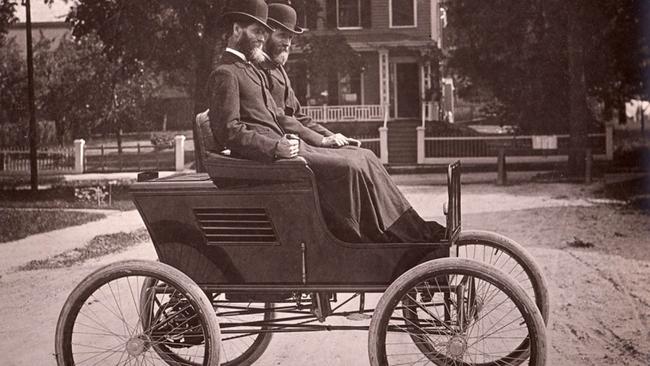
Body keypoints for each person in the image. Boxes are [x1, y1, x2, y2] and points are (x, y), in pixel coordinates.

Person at [208, 0, 445, 243]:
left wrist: (323, 138)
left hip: (285, 149)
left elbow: (281, 116)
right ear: (237, 30)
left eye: (264, 32)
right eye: (258, 31)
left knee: (364, 156)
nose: (262, 38)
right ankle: (372, 238)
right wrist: (277, 147)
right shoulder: (227, 73)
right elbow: (230, 130)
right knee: (350, 167)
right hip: (273, 159)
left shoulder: (249, 70)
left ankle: (408, 229)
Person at [259, 3, 355, 148]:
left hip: (294, 141)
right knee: (351, 164)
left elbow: (298, 116)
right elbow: (279, 117)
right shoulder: (257, 69)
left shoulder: (279, 69)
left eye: (290, 38)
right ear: (265, 35)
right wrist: (321, 140)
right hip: (278, 146)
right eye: (282, 36)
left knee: (361, 154)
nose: (287, 43)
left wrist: (331, 136)